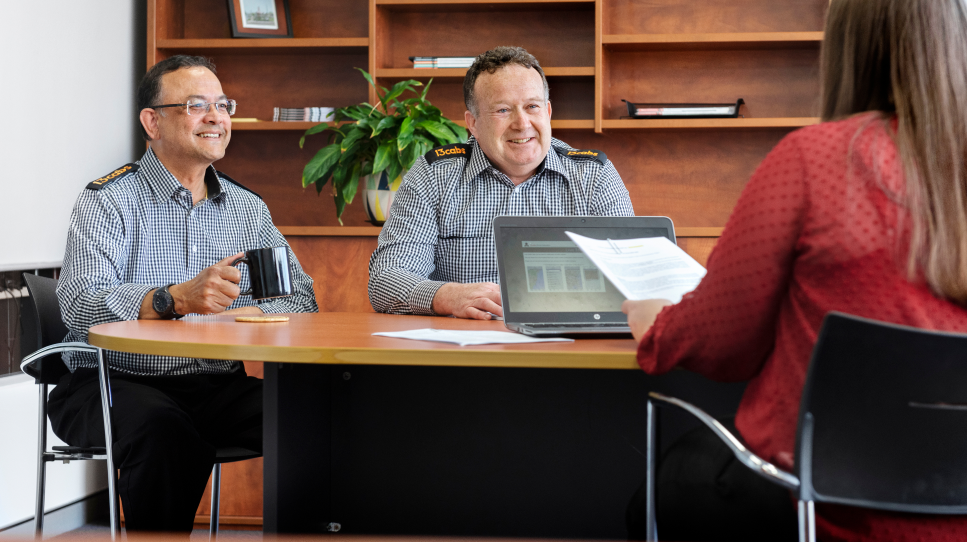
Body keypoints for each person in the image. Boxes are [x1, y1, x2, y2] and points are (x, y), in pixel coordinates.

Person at [622, 0, 967, 542]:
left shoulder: (813, 160)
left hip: (830, 511)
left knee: (664, 487)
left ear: (846, 52)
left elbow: (721, 347)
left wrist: (654, 322)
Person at [49, 55, 319, 533]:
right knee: (163, 429)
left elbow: (300, 299)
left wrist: (240, 315)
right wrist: (171, 299)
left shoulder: (246, 209)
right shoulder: (108, 200)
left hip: (216, 385)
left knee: (319, 417)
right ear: (152, 121)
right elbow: (79, 301)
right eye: (197, 105)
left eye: (223, 104)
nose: (217, 117)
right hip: (113, 383)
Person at [368, 46, 634, 320]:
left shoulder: (594, 176)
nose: (522, 123)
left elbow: (634, 279)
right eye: (503, 110)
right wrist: (448, 296)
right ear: (472, 123)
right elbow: (386, 279)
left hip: (567, 348)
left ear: (548, 111)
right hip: (462, 350)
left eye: (532, 106)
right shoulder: (434, 176)